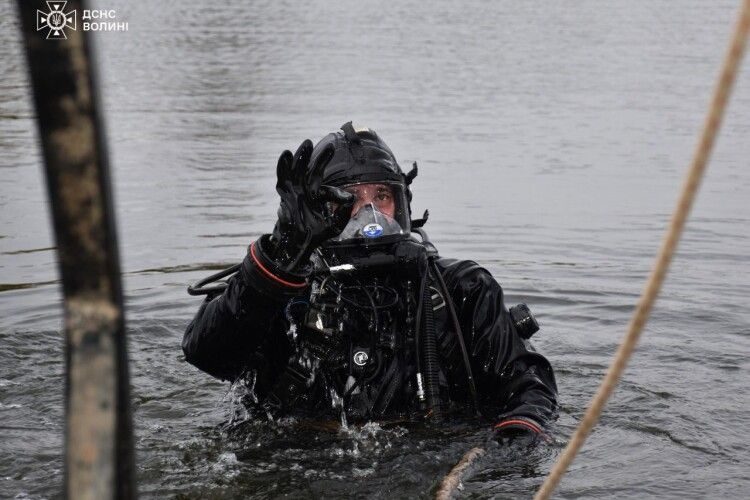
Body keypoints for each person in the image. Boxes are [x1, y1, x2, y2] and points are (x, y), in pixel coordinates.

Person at [183, 122, 557, 441]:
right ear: (318, 210)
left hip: (429, 454)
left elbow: (528, 389)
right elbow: (208, 354)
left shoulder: (460, 290)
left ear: (403, 203)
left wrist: (509, 443)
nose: (369, 214)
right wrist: (283, 251)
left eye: (381, 196)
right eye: (348, 199)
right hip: (298, 459)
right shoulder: (279, 292)